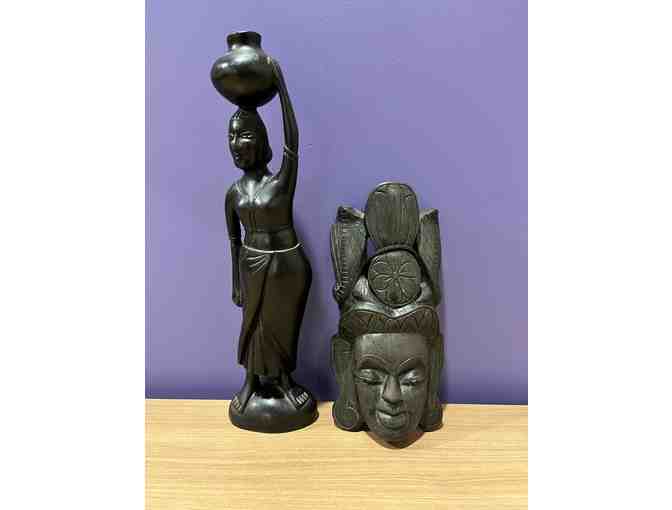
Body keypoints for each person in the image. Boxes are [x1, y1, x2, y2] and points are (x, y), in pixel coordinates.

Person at [224, 61, 312, 413]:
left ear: (260, 140)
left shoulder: (280, 182)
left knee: (281, 326)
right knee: (252, 326)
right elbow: (233, 241)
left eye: (243, 136)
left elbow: (293, 144)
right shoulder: (233, 193)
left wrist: (281, 89)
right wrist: (236, 283)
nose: (235, 144)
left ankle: (285, 382)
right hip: (251, 267)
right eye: (231, 137)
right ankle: (250, 383)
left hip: (288, 268)